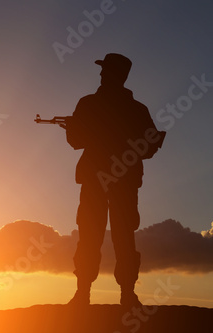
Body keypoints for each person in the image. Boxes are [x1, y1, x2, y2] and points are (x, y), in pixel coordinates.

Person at [64, 53, 165, 308]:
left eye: (105, 70)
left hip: (103, 179)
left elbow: (76, 142)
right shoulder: (136, 109)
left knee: (103, 234)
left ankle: (89, 294)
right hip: (122, 180)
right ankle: (121, 295)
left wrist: (78, 130)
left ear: (113, 74)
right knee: (116, 235)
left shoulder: (89, 104)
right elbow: (149, 147)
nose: (101, 74)